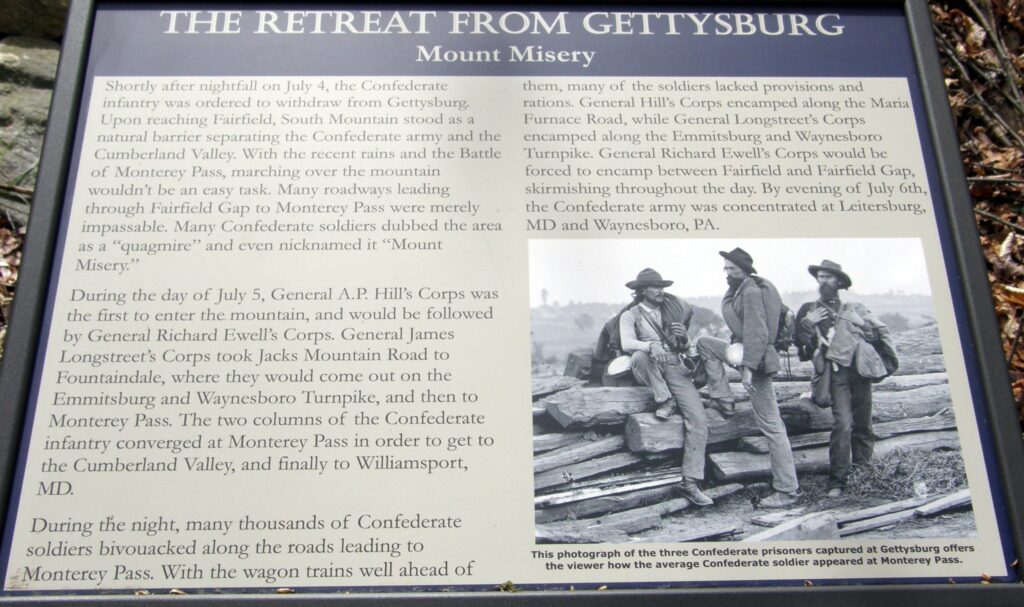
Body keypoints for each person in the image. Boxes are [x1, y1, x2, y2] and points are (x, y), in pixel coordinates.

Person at [696, 248, 800, 508]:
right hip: (744, 352)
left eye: (731, 269)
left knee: (772, 426)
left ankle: (787, 490)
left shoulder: (752, 291)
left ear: (744, 269)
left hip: (758, 361)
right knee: (706, 343)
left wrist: (748, 370)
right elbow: (742, 328)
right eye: (725, 268)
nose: (726, 273)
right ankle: (722, 398)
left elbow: (757, 332)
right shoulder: (738, 289)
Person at [794, 260, 897, 497]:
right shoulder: (808, 309)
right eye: (820, 277)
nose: (823, 282)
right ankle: (837, 482)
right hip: (835, 373)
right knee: (842, 425)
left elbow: (874, 337)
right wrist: (808, 325)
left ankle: (864, 474)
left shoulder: (855, 308)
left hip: (860, 372)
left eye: (829, 277)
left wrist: (860, 324)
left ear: (839, 282)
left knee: (863, 423)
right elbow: (803, 348)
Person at [618, 268, 712, 506]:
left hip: (675, 366)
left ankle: (690, 482)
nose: (661, 291)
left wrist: (685, 338)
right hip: (649, 365)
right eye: (655, 286)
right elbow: (626, 342)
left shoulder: (671, 311)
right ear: (641, 291)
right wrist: (650, 346)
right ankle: (664, 399)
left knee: (698, 420)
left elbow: (686, 348)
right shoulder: (630, 315)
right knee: (639, 354)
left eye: (662, 287)